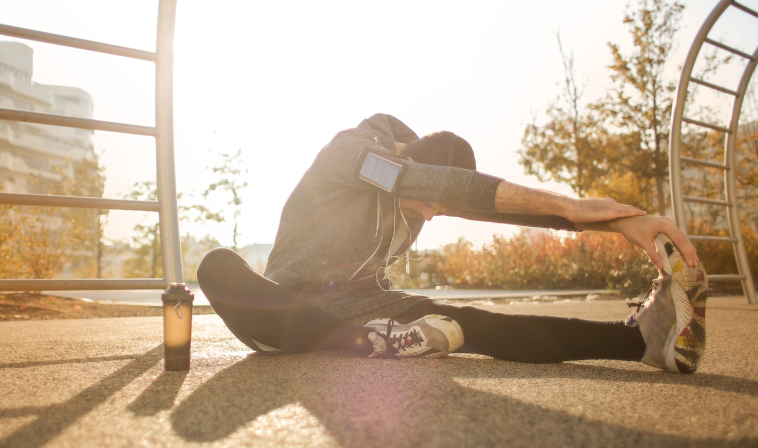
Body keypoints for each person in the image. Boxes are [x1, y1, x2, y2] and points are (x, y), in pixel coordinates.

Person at [198, 115, 707, 374]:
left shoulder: (418, 183)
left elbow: (485, 203)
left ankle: (639, 341)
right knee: (217, 266)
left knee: (476, 322)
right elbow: (428, 186)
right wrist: (571, 204)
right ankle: (369, 341)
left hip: (368, 307)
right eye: (431, 203)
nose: (432, 216)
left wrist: (617, 224)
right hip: (283, 312)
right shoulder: (354, 154)